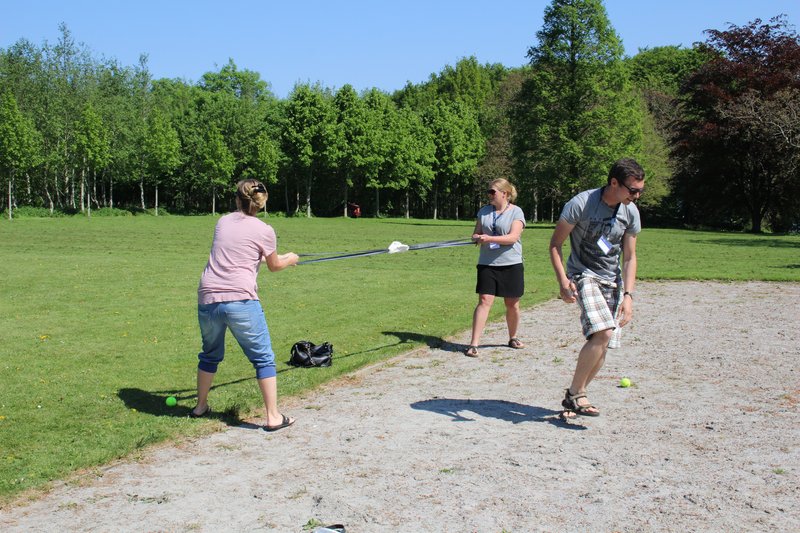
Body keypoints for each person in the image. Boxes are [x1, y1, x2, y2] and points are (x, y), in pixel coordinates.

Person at [191, 179, 299, 432]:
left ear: (238, 199)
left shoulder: (223, 222)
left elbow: (242, 254)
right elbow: (273, 265)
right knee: (263, 358)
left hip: (208, 297)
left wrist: (281, 258)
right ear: (263, 202)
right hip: (240, 299)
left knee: (209, 354)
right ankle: (273, 416)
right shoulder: (265, 229)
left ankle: (200, 407)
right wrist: (291, 258)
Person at [548, 158, 644, 418]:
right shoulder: (582, 203)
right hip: (583, 274)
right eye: (632, 190)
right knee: (603, 332)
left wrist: (628, 296)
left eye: (640, 191)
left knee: (603, 340)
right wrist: (563, 281)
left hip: (612, 280)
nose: (636, 196)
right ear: (614, 183)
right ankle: (577, 395)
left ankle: (574, 396)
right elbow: (555, 244)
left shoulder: (630, 212)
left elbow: (629, 257)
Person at [465, 178, 526, 357]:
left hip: (511, 263)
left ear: (504, 193)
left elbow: (513, 237)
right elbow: (476, 232)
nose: (489, 195)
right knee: (484, 300)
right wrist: (476, 237)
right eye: (488, 192)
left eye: (493, 192)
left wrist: (489, 238)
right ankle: (474, 344)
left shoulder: (516, 212)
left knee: (512, 304)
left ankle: (513, 337)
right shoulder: (484, 211)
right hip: (487, 263)